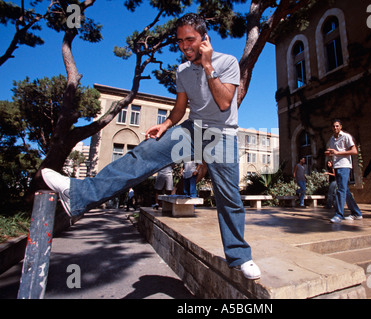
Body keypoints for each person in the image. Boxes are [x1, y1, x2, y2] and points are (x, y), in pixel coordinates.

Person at [41, 13, 260, 280]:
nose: (184, 46)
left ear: (205, 38)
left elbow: (226, 103)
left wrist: (207, 65)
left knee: (229, 198)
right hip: (193, 129)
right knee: (142, 154)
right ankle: (78, 195)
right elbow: (180, 109)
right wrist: (166, 125)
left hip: (222, 134)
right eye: (179, 41)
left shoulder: (227, 62)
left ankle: (240, 256)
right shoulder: (181, 71)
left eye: (189, 39)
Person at [325, 119, 363, 223]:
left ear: (341, 126)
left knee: (340, 190)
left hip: (344, 166)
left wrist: (337, 152)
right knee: (345, 190)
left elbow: (354, 151)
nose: (335, 128)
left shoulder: (346, 136)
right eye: (333, 126)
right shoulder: (332, 139)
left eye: (337, 126)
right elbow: (334, 153)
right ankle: (357, 213)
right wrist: (330, 154)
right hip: (337, 166)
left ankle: (339, 215)